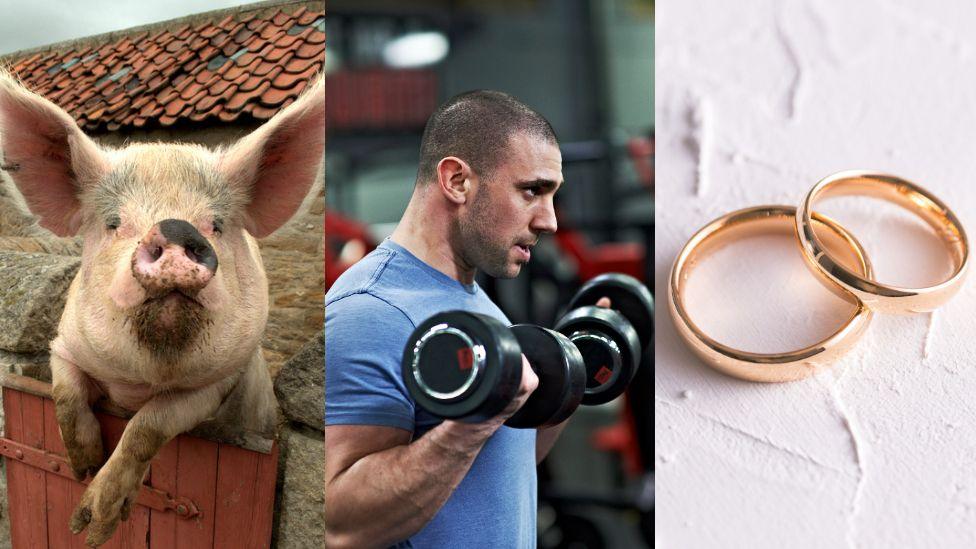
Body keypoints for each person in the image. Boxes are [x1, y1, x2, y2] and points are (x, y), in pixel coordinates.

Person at [324, 90, 570, 548]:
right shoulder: (369, 312)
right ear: (457, 181)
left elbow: (491, 478)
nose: (549, 221)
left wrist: (565, 390)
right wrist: (474, 420)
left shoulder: (476, 303)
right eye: (532, 191)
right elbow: (339, 523)